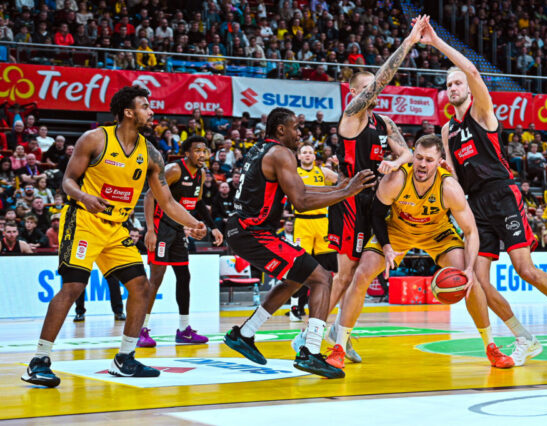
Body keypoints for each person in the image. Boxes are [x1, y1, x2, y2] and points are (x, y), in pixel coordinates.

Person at [424, 16, 547, 362]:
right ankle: (524, 338)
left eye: (458, 82)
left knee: (524, 268)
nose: (454, 87)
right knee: (477, 280)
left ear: (468, 86)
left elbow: (473, 72)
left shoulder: (482, 111)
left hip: (502, 194)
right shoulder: (446, 131)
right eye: (449, 84)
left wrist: (435, 42)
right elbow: (455, 177)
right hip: (474, 204)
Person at [22, 86, 207, 388]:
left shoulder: (151, 153)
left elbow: (167, 201)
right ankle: (39, 361)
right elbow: (67, 181)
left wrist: (194, 222)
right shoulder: (95, 139)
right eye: (145, 106)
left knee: (141, 287)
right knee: (73, 286)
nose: (151, 111)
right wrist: (85, 196)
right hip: (84, 220)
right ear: (128, 112)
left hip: (117, 227)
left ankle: (124, 359)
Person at [322, 135, 515, 369]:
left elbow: (471, 232)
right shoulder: (397, 179)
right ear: (413, 156)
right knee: (362, 274)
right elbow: (377, 214)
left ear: (439, 161)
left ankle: (491, 347)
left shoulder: (449, 187)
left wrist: (468, 268)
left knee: (470, 281)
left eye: (429, 160)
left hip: (437, 233)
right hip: (397, 231)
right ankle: (339, 346)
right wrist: (386, 246)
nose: (423, 164)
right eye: (419, 158)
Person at [222, 107, 375, 379]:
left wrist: (342, 188)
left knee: (295, 279)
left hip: (246, 229)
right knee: (322, 278)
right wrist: (347, 191)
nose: (299, 133)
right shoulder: (281, 153)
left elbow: (301, 190)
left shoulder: (261, 149)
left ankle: (244, 334)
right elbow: (301, 202)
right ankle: (310, 351)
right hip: (252, 231)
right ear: (281, 129)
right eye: (295, 128)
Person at [316, 16, 425, 363]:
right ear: (354, 93)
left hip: (375, 201)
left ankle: (340, 333)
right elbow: (381, 80)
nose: (372, 92)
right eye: (366, 88)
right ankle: (311, 333)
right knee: (345, 274)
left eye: (372, 88)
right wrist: (407, 43)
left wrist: (396, 162)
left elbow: (407, 152)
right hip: (350, 199)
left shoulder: (384, 122)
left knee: (361, 276)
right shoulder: (351, 117)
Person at [138, 136, 224, 347]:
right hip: (161, 227)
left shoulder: (201, 174)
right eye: (197, 150)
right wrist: (150, 230)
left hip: (178, 230)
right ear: (187, 153)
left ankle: (184, 330)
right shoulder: (174, 170)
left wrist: (212, 227)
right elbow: (149, 196)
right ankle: (141, 329)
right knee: (156, 278)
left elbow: (198, 203)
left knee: (184, 276)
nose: (202, 154)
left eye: (204, 151)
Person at [288, 143, 339, 322]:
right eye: (304, 152)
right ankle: (295, 306)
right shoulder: (293, 173)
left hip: (322, 223)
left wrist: (338, 166)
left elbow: (342, 182)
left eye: (310, 152)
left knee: (329, 266)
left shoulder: (323, 172)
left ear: (315, 156)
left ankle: (330, 303)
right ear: (299, 156)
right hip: (302, 223)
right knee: (301, 266)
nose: (307, 155)